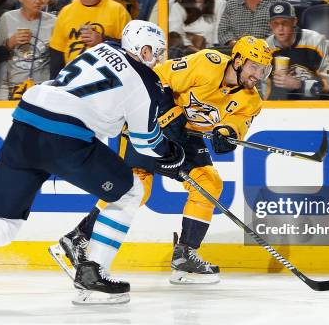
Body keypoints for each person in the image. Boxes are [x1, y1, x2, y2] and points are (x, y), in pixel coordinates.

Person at [0, 20, 184, 305]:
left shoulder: (101, 48)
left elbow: (102, 96)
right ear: (140, 46)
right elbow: (145, 142)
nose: (156, 58)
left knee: (4, 222)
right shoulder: (146, 82)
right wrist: (173, 154)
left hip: (26, 122)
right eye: (153, 51)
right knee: (130, 192)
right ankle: (93, 274)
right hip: (65, 134)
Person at [53, 35, 274, 285]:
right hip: (150, 123)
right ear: (237, 60)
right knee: (137, 189)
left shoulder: (252, 100)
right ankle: (78, 238)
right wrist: (169, 112)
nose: (258, 74)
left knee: (209, 183)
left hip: (186, 136)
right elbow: (157, 77)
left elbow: (234, 129)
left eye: (263, 69)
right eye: (254, 66)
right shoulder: (206, 63)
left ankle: (185, 255)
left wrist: (227, 135)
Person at [265, 1, 329, 100]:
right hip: (283, 106)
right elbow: (266, 90)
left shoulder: (315, 41)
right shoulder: (266, 48)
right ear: (270, 25)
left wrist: (299, 85)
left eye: (284, 23)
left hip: (315, 106)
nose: (280, 28)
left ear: (294, 21)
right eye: (275, 24)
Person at [0, 0, 57, 99]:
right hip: (11, 87)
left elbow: (58, 59)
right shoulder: (7, 18)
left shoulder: (54, 22)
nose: (38, 1)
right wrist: (10, 43)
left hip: (41, 87)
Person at [48, 0, 131, 78]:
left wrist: (103, 40)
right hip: (71, 80)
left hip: (107, 80)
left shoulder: (118, 10)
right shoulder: (66, 12)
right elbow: (57, 55)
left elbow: (132, 49)